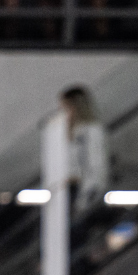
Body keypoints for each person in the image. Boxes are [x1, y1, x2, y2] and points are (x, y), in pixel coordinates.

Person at [60, 85, 109, 214]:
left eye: (65, 107)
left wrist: (90, 188)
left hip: (81, 186)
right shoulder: (61, 131)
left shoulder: (91, 130)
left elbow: (95, 160)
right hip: (64, 186)